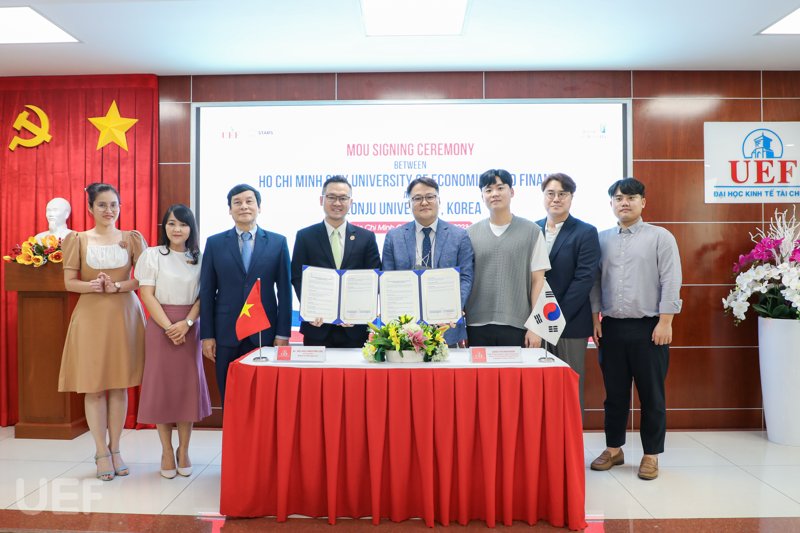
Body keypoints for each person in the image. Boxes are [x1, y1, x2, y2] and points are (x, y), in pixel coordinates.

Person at [589, 177, 682, 481]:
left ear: (643, 202)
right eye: (618, 198)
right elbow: (594, 283)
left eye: (630, 197)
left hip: (649, 328)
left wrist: (666, 321)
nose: (624, 203)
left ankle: (651, 455)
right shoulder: (601, 239)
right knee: (614, 395)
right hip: (612, 328)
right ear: (611, 204)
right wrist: (594, 319)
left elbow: (671, 279)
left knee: (652, 395)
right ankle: (614, 449)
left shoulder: (660, 237)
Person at [58, 183, 147, 481]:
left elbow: (143, 279)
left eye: (114, 205)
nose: (109, 210)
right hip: (91, 316)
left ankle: (116, 448)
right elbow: (69, 282)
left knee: (119, 385)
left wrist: (118, 285)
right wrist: (93, 285)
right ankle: (100, 451)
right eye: (102, 205)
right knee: (94, 386)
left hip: (124, 315)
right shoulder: (77, 239)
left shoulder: (132, 239)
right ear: (90, 208)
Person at [135, 204, 211, 479]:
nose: (177, 229)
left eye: (183, 224)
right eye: (171, 223)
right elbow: (147, 294)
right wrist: (169, 327)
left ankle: (184, 450)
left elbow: (204, 296)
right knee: (162, 388)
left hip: (190, 327)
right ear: (164, 227)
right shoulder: (152, 255)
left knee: (186, 389)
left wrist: (187, 323)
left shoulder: (200, 258)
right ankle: (167, 451)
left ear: (192, 228)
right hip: (160, 327)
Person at [200, 184, 291, 404]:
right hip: (226, 333)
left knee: (264, 397)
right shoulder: (214, 243)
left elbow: (285, 292)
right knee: (230, 395)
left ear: (259, 207)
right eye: (237, 202)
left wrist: (283, 334)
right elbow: (207, 291)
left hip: (263, 333)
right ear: (229, 209)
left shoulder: (278, 242)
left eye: (249, 201)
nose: (244, 206)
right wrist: (207, 335)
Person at [382, 176, 474, 346]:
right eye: (417, 198)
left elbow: (466, 278)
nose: (424, 202)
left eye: (430, 197)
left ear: (439, 200)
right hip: (404, 330)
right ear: (409, 203)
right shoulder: (393, 237)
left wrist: (453, 310)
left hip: (446, 326)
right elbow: (387, 282)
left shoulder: (459, 236)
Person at [535, 173, 600, 413]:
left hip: (569, 323)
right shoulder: (532, 229)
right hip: (534, 324)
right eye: (550, 193)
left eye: (562, 194)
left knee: (568, 386)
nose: (556, 199)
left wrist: (554, 318)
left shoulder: (585, 232)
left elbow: (584, 280)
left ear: (571, 197)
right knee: (538, 387)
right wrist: (540, 320)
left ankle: (571, 438)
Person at [291, 175, 381, 347]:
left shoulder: (366, 237)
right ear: (321, 200)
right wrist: (311, 310)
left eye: (343, 198)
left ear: (351, 202)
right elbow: (297, 277)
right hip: (316, 327)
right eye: (331, 197)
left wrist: (358, 313)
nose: (337, 203)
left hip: (354, 329)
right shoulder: (305, 236)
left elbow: (374, 278)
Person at [465, 169, 549, 347]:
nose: (494, 194)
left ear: (511, 192)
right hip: (476, 325)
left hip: (518, 325)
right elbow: (464, 280)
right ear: (482, 196)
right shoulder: (469, 234)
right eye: (488, 190)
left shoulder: (532, 232)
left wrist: (536, 326)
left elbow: (538, 281)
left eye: (500, 188)